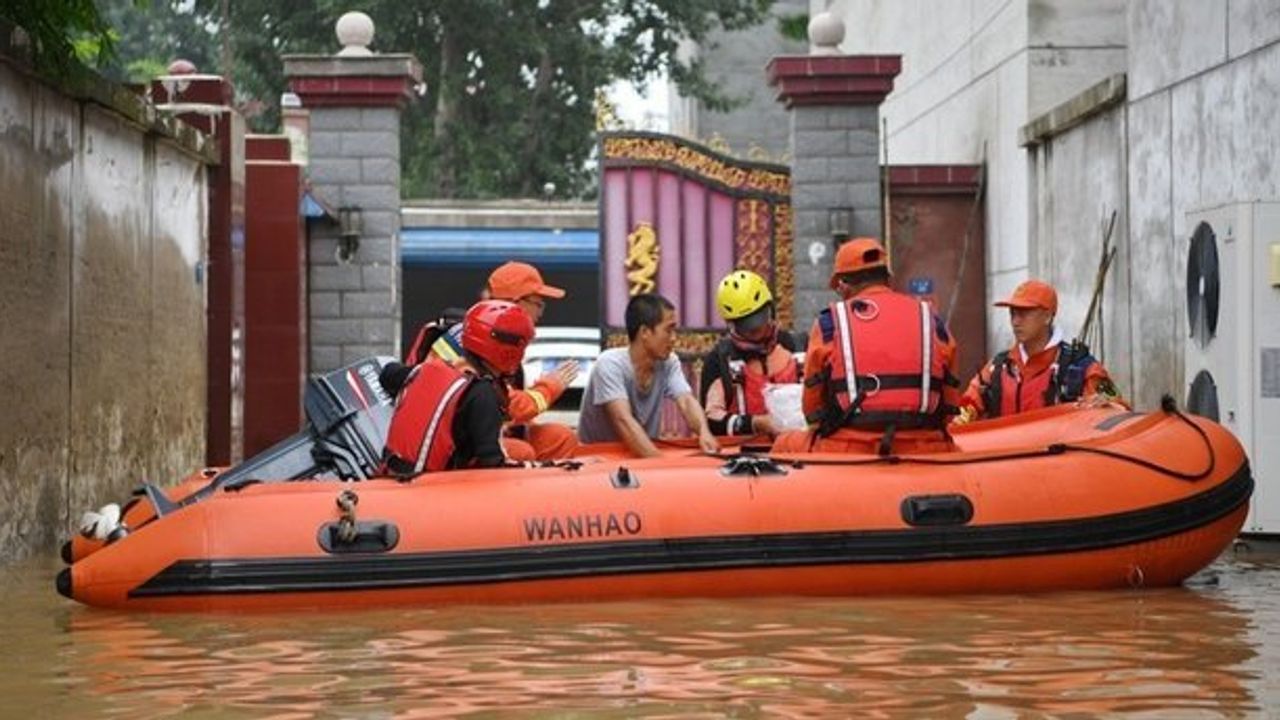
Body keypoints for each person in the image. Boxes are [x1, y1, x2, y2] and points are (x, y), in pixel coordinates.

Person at [773, 237, 961, 456]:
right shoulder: (930, 317)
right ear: (888, 280)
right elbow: (949, 407)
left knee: (783, 445)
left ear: (843, 285)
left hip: (850, 447)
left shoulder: (830, 323)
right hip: (925, 446)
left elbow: (812, 412)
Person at [382, 300, 535, 475]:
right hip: (433, 488)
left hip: (393, 473)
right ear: (509, 350)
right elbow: (493, 465)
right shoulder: (483, 394)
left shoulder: (427, 369)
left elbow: (387, 374)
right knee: (523, 454)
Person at [577, 293, 720, 457]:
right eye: (668, 330)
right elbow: (624, 421)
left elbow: (686, 401)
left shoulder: (669, 362)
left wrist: (704, 432)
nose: (674, 339)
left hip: (641, 456)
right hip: (597, 459)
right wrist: (660, 464)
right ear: (645, 332)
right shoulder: (610, 364)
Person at [956, 279, 1118, 422]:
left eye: (1023, 313)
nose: (1015, 322)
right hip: (1004, 454)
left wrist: (1106, 405)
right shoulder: (997, 368)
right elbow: (967, 405)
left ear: (1047, 317)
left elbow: (1118, 405)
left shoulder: (1082, 366)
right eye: (1012, 313)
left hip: (1055, 454)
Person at [699, 270, 801, 437]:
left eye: (759, 318)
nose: (755, 329)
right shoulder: (720, 360)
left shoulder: (798, 347)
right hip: (742, 456)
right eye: (745, 323)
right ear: (731, 324)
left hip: (798, 453)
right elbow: (710, 422)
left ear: (770, 310)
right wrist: (756, 423)